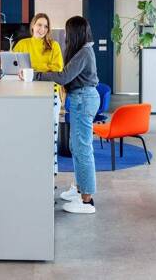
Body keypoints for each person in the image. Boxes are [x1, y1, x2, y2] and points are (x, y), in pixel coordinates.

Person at [23, 16, 99, 215]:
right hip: (81, 98)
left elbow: (64, 76)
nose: (65, 34)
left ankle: (87, 200)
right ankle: (80, 189)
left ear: (75, 32)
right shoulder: (82, 50)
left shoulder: (84, 52)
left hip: (84, 99)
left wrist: (36, 75)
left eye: (67, 30)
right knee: (76, 146)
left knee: (82, 149)